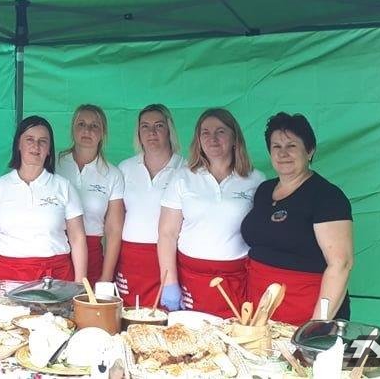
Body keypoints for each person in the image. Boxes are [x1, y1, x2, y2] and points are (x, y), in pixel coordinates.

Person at [241, 112, 354, 325]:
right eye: (276, 146)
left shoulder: (327, 196)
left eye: (291, 145)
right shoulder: (264, 190)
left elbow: (341, 264)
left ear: (309, 151)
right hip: (260, 307)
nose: (283, 153)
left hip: (306, 309)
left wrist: (318, 323)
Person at [157, 108, 264, 316]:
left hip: (236, 281)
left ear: (235, 138)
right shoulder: (183, 177)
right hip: (190, 278)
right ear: (198, 140)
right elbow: (167, 234)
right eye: (205, 132)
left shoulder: (256, 180)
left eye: (220, 131)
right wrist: (169, 283)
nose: (212, 138)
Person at [0, 116, 88, 283]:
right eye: (29, 139)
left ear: (49, 149)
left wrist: (80, 284)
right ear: (18, 144)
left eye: (43, 141)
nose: (36, 146)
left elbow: (77, 238)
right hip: (7, 276)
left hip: (54, 278)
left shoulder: (64, 187)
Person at [115, 104, 185, 309]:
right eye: (145, 126)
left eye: (159, 125)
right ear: (138, 132)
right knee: (129, 316)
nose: (151, 132)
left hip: (169, 260)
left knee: (167, 318)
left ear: (169, 130)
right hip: (130, 259)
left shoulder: (186, 169)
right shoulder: (125, 168)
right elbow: (116, 220)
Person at [56, 104, 125, 286]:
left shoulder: (112, 174)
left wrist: (106, 277)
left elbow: (113, 230)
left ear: (103, 133)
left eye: (94, 126)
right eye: (81, 124)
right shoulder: (54, 163)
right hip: (56, 251)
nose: (87, 130)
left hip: (92, 254)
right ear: (72, 129)